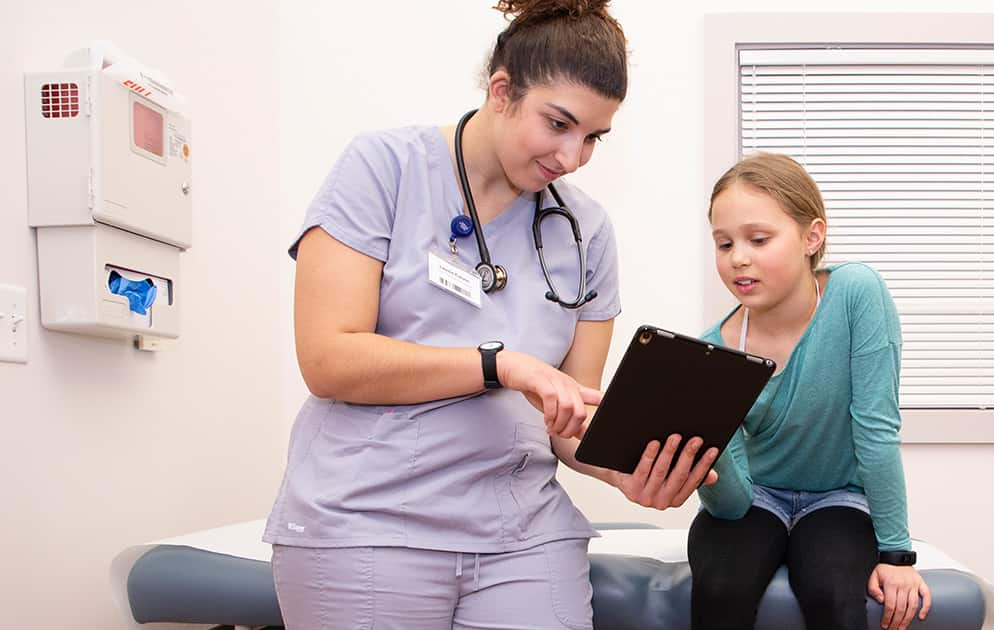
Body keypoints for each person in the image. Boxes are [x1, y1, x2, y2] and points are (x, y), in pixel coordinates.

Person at [263, 2, 719, 629]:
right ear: (501, 92)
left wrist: (627, 471)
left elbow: (570, 418)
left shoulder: (586, 232)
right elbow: (328, 359)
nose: (572, 156)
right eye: (557, 124)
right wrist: (498, 365)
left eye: (592, 137)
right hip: (365, 519)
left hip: (522, 534)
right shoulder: (384, 170)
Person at [687, 153, 932, 630]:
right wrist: (704, 455)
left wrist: (897, 555)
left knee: (833, 592)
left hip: (838, 498)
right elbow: (733, 503)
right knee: (721, 589)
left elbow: (876, 431)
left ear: (811, 237)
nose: (738, 257)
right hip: (756, 497)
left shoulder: (856, 294)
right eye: (724, 243)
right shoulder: (713, 351)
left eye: (759, 239)